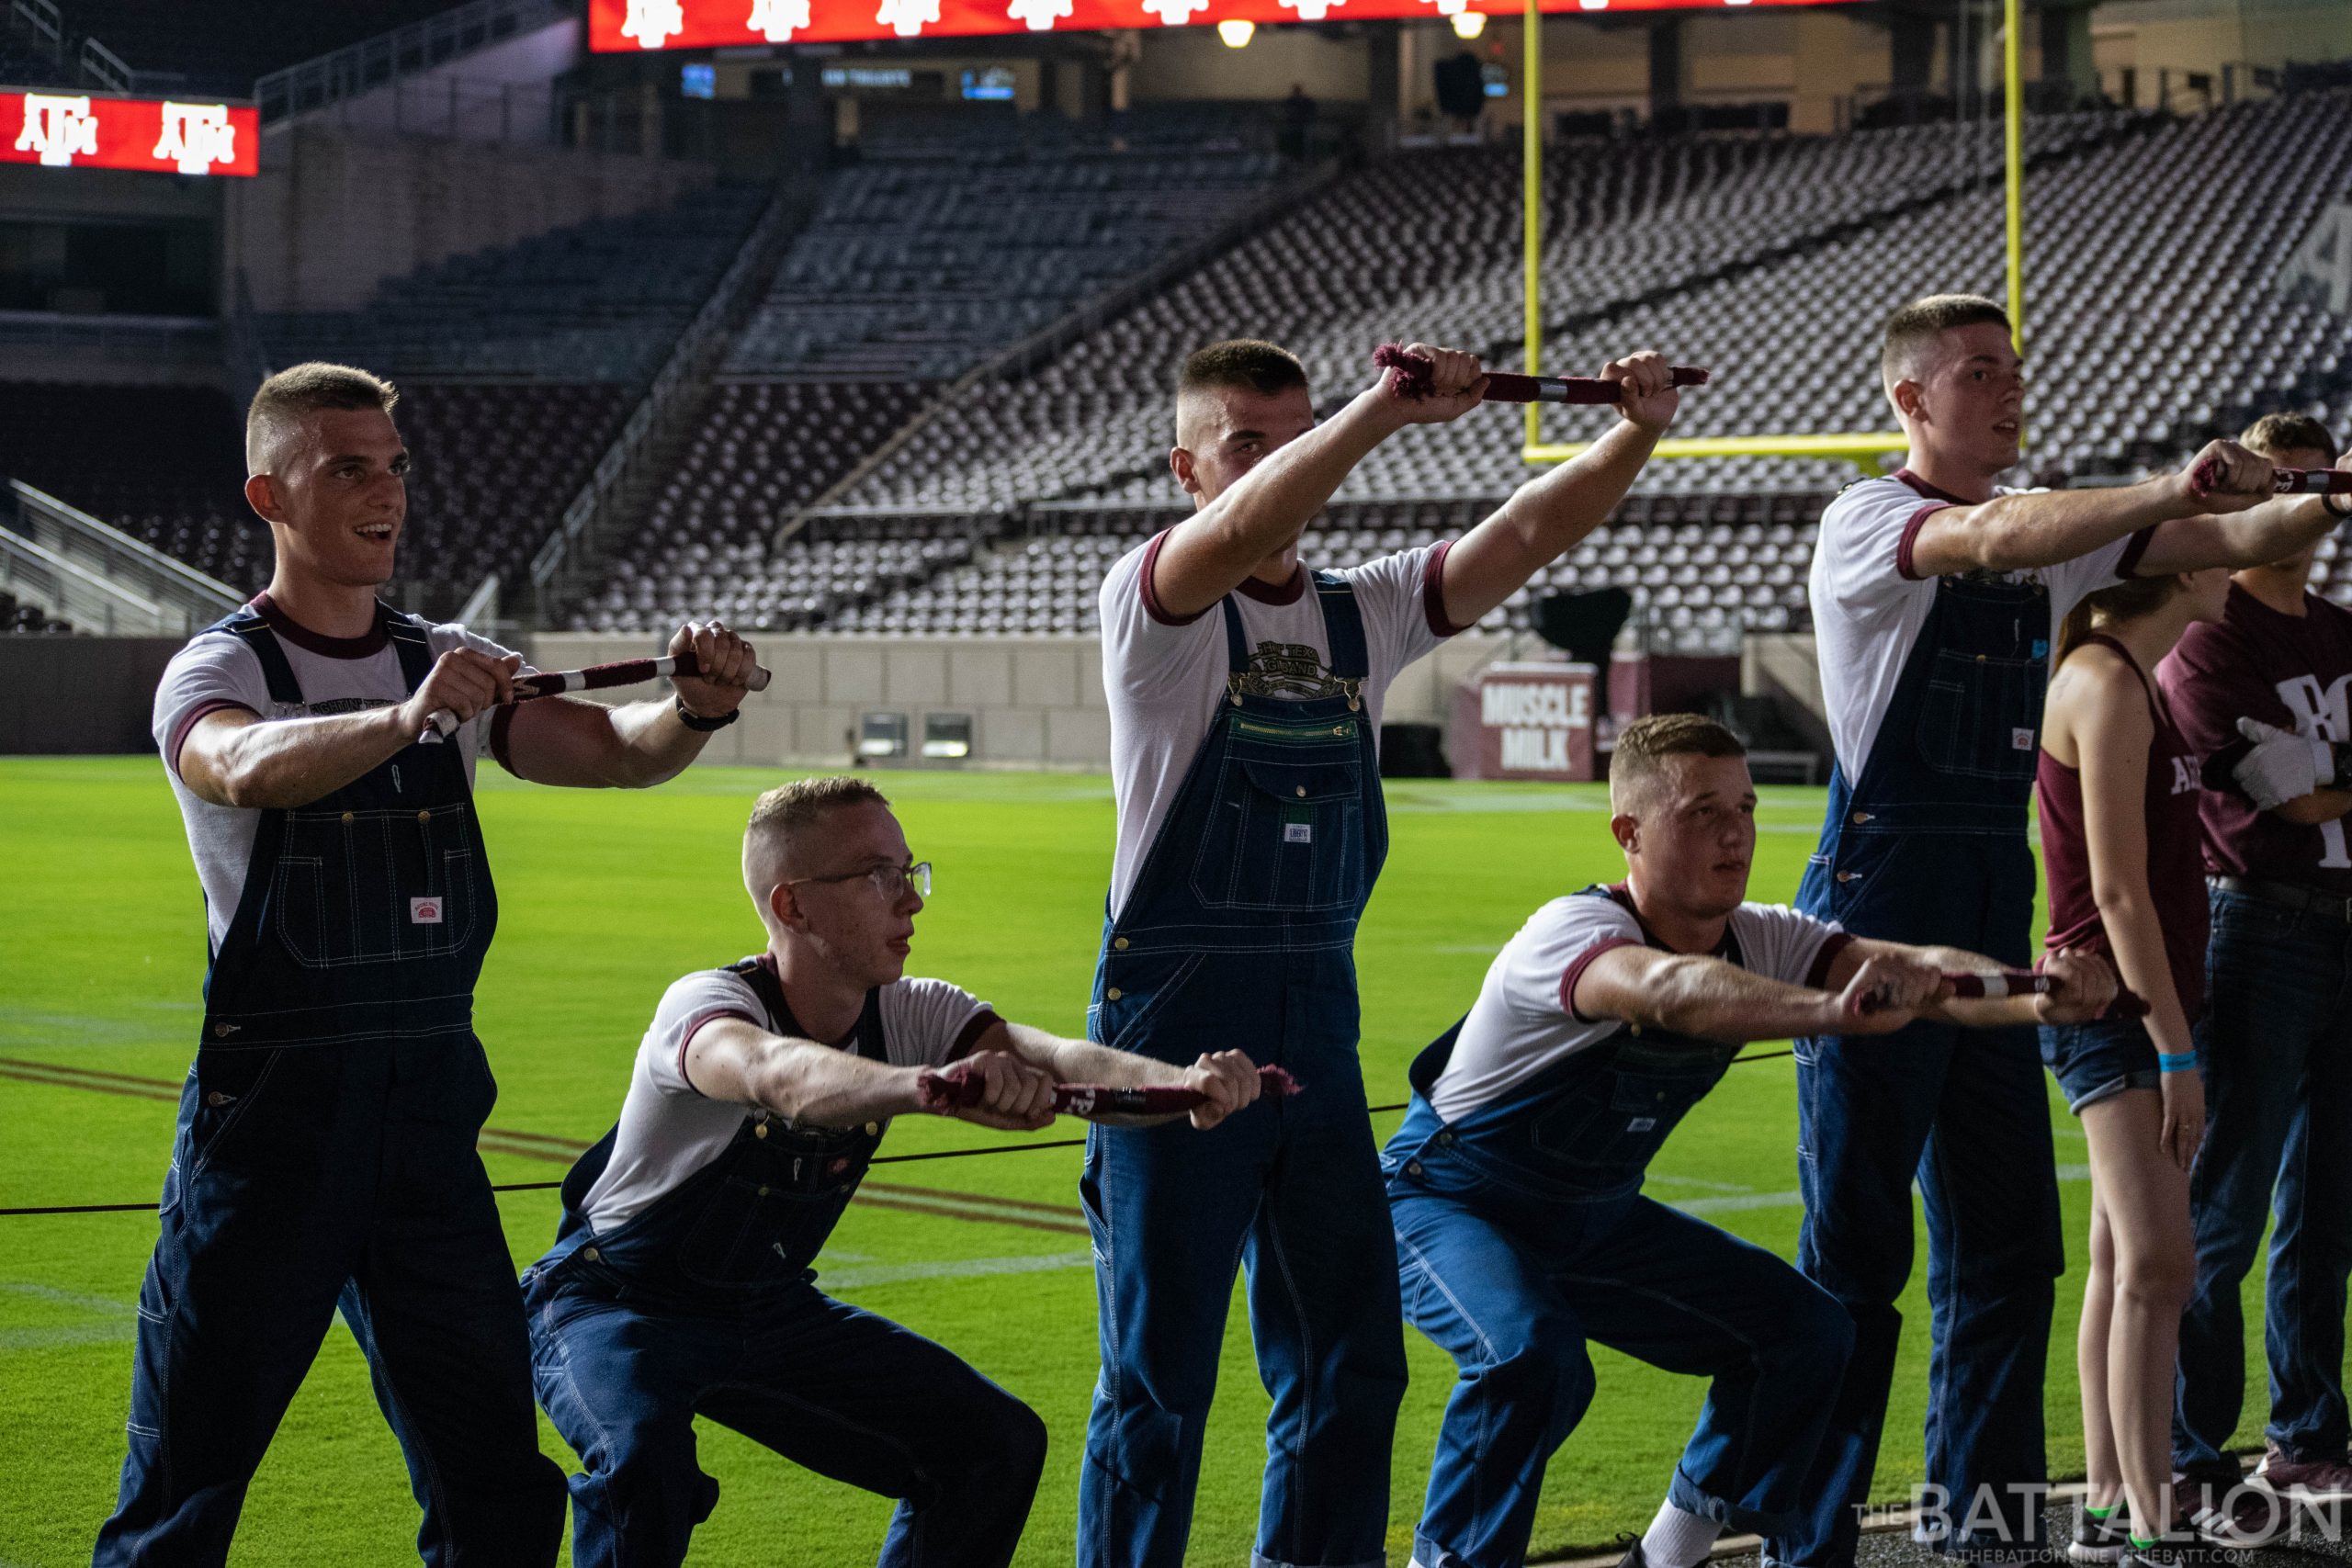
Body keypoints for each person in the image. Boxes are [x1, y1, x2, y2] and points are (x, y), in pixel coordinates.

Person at [100, 363, 761, 1566]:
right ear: (269, 493)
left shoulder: (447, 653)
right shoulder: (221, 668)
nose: (386, 490)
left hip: (427, 1129)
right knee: (183, 1494)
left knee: (495, 1491)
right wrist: (407, 719)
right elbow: (240, 766)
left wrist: (696, 710)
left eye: (394, 465)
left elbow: (616, 751)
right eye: (346, 466)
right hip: (273, 1135)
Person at [1080, 336, 1681, 1568]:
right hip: (1170, 1025)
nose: (1285, 457)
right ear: (1187, 468)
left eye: (1295, 430)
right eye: (1252, 440)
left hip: (1317, 1025)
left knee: (1352, 1358)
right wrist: (1377, 414)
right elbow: (1248, 527)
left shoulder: (1364, 609)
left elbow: (1520, 537)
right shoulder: (1155, 601)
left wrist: (1634, 430)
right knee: (1161, 1379)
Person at [1781, 293, 2344, 1568]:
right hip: (1877, 903)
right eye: (1978, 372)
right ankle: (1809, 1533)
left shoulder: (2054, 540)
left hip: (1992, 912)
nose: (2007, 388)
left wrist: (2322, 495)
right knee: (1858, 1253)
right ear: (1908, 399)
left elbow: (2232, 533)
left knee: (2010, 1249)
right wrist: (2167, 480)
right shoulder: (1873, 520)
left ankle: (1984, 1531)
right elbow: (1999, 537)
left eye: (2014, 370)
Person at [1385, 714, 2115, 1568]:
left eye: (1746, 806)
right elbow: (1669, 991)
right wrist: (1829, 1011)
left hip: (1590, 1219)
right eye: (1701, 811)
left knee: (1806, 1331)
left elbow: (1917, 969)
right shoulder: (1574, 933)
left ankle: (1664, 1557)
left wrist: (2033, 991)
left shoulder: (1762, 932)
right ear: (1630, 832)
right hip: (1440, 1200)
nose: (1735, 831)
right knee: (1531, 1356)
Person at [524, 777, 1264, 1568]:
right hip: (611, 1307)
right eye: (878, 876)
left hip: (765, 1312)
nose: (909, 900)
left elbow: (1057, 1059)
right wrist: (932, 1086)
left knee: (993, 1445)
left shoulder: (916, 1010)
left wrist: (1181, 1084)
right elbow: (783, 1076)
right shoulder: (705, 1007)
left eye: (911, 872)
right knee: (645, 1468)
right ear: (793, 906)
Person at [2158, 412, 2352, 1531]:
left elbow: (2320, 781)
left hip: (2339, 926)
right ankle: (2190, 1448)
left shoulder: (2336, 628)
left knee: (2326, 1213)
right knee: (2221, 1211)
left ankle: (2307, 1437)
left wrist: (2327, 773)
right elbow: (2293, 797)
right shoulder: (2207, 628)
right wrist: (2324, 776)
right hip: (2259, 931)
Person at [2037, 562, 2233, 1564]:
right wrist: (2176, 1051)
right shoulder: (2108, 683)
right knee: (2159, 1266)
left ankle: (2113, 1509)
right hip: (2118, 1013)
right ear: (2182, 564)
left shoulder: (2118, 676)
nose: (2238, 566)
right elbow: (2116, 894)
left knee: (2124, 1266)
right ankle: (2151, 1524)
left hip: (2128, 1006)